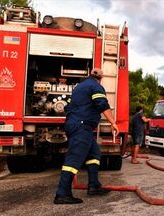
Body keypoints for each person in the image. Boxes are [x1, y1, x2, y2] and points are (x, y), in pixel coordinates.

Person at [54, 68, 119, 204]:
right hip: (81, 126)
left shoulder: (80, 87)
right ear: (101, 78)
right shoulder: (96, 86)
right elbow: (102, 105)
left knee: (94, 155)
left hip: (79, 125)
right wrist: (113, 123)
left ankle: (94, 186)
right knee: (73, 160)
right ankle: (62, 194)